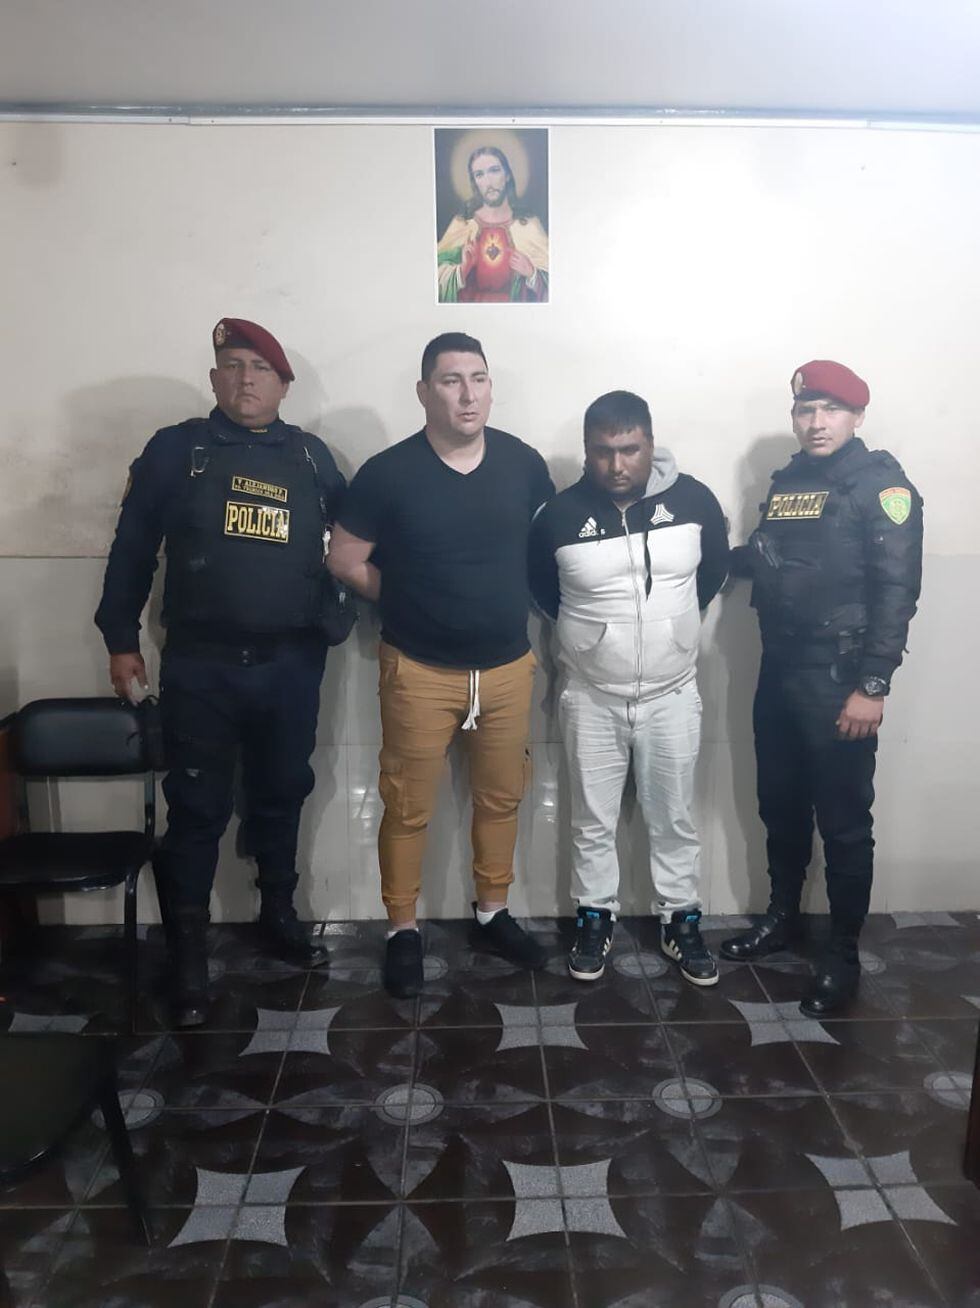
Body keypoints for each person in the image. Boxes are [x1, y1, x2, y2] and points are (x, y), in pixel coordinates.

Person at [95, 318, 346, 1027]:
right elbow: (132, 546)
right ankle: (188, 954)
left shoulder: (313, 457)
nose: (245, 379)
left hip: (290, 664)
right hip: (202, 666)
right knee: (197, 808)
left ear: (284, 385)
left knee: (283, 791)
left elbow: (352, 543)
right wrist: (120, 637)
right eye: (232, 365)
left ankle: (278, 914)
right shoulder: (178, 450)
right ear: (213, 378)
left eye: (260, 368)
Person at [327, 332, 555, 996]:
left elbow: (547, 549)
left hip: (507, 669)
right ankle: (402, 929)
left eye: (478, 378)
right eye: (451, 380)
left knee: (501, 799)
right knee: (406, 807)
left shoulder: (524, 464)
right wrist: (405, 596)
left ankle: (493, 912)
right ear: (424, 392)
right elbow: (344, 558)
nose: (467, 394)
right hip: (418, 669)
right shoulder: (387, 473)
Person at [721, 360, 923, 1015]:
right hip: (779, 671)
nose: (816, 422)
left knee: (843, 824)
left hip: (840, 680)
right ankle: (783, 918)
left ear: (857, 415)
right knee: (779, 805)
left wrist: (874, 685)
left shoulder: (881, 487)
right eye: (806, 410)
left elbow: (896, 593)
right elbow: (770, 560)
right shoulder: (790, 482)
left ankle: (842, 953)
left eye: (831, 409)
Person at [528, 391, 729, 984]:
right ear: (586, 451)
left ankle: (680, 921)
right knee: (591, 820)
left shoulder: (694, 500)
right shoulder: (557, 515)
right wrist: (593, 644)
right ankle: (595, 918)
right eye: (603, 452)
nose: (617, 465)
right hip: (591, 696)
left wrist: (672, 634)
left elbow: (711, 574)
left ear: (650, 443)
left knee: (674, 817)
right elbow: (543, 591)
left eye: (630, 450)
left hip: (673, 693)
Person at [437, 146, 549, 303]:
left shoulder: (528, 225)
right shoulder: (463, 224)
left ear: (507, 175)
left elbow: (558, 284)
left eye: (494, 170)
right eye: (479, 175)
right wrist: (462, 270)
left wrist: (532, 274)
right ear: (475, 182)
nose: (488, 182)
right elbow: (433, 278)